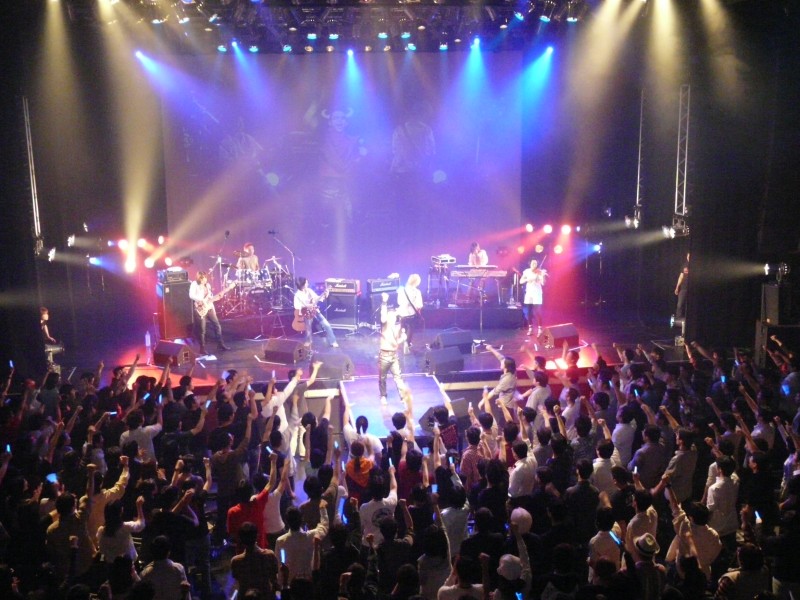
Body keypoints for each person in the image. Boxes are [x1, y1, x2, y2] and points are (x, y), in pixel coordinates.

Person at [188, 271, 230, 356]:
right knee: (202, 330)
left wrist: (217, 297)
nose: (205, 280)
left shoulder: (208, 285)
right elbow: (191, 295)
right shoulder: (194, 284)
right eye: (203, 278)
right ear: (199, 278)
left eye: (205, 278)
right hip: (200, 308)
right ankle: (202, 348)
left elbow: (210, 297)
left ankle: (220, 344)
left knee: (217, 325)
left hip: (209, 307)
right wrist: (201, 300)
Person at [378, 292, 408, 405]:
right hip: (384, 356)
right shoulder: (385, 324)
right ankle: (383, 395)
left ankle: (403, 397)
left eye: (393, 315)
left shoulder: (398, 327)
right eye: (390, 314)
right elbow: (383, 316)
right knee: (382, 378)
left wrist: (402, 338)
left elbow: (396, 343)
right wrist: (384, 302)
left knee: (398, 377)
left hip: (394, 356)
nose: (392, 316)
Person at [293, 277, 338, 348]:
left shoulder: (309, 290)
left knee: (326, 325)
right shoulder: (297, 294)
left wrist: (325, 294)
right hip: (306, 312)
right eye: (306, 282)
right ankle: (308, 341)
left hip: (315, 310)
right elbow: (296, 306)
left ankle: (333, 341)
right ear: (303, 284)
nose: (308, 283)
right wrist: (307, 306)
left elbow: (317, 298)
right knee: (308, 329)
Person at [396, 274, 423, 351]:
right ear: (417, 282)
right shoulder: (417, 292)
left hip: (402, 313)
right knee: (410, 328)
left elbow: (399, 302)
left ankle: (399, 342)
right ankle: (408, 343)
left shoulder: (401, 290)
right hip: (411, 314)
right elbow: (419, 305)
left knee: (402, 327)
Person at [519, 259, 546, 336]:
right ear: (530, 264)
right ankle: (530, 329)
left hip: (537, 293)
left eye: (536, 263)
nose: (534, 264)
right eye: (533, 263)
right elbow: (521, 281)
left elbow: (543, 283)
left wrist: (543, 276)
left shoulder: (540, 272)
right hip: (529, 293)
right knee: (528, 312)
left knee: (537, 312)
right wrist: (528, 279)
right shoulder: (526, 271)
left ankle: (540, 329)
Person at [674, 252, 690, 319]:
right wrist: (677, 287)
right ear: (687, 257)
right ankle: (678, 318)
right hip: (684, 288)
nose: (689, 258)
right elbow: (681, 277)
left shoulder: (696, 265)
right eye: (688, 256)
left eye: (690, 256)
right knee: (679, 304)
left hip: (692, 289)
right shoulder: (684, 265)